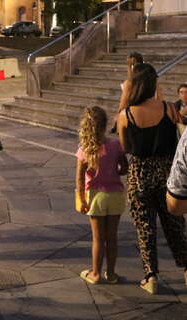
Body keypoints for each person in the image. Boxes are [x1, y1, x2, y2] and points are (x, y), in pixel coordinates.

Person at [118, 63, 187, 294]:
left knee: (144, 228)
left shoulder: (125, 115)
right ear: (154, 84)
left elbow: (126, 146)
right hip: (167, 175)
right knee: (175, 225)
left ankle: (151, 276)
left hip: (139, 177)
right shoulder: (169, 108)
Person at [76, 106, 127, 285]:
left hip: (95, 197)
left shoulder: (85, 149)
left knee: (98, 239)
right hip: (115, 195)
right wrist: (113, 170)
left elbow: (80, 180)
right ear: (105, 125)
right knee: (112, 238)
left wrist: (82, 200)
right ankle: (111, 274)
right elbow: (124, 168)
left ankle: (95, 274)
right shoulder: (115, 145)